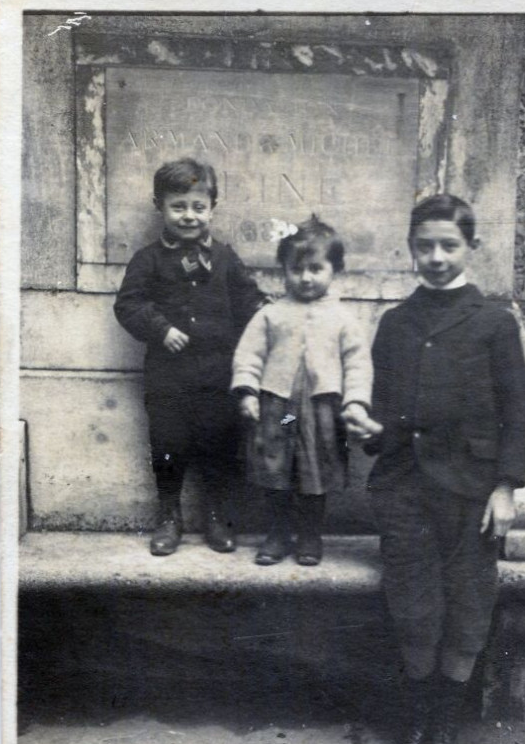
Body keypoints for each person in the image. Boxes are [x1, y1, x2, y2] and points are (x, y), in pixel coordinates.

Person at [361, 194, 525, 744]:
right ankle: (412, 724)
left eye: (448, 246)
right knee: (414, 609)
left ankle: (445, 731)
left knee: (465, 611)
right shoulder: (395, 325)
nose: (435, 257)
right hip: (405, 488)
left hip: (471, 492)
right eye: (424, 246)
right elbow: (381, 413)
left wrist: (506, 486)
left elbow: (516, 410)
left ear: (469, 248)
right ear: (411, 248)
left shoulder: (493, 322)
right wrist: (368, 429)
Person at [114, 158, 266, 556]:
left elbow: (249, 302)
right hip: (169, 375)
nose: (189, 216)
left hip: (219, 373)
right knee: (169, 445)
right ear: (159, 206)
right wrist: (160, 328)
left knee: (220, 445)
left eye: (198, 207)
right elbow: (128, 305)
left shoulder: (226, 258)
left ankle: (217, 515)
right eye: (178, 206)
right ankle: (169, 516)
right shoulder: (148, 259)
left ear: (212, 207)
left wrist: (277, 318)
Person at [231, 216, 376, 566]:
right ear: (284, 270)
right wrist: (248, 391)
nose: (306, 277)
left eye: (316, 268)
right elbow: (249, 353)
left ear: (334, 270)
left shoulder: (343, 319)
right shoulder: (271, 315)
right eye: (297, 269)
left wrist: (356, 402)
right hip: (280, 406)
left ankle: (310, 535)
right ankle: (278, 533)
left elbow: (358, 364)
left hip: (321, 410)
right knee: (276, 467)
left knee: (316, 470)